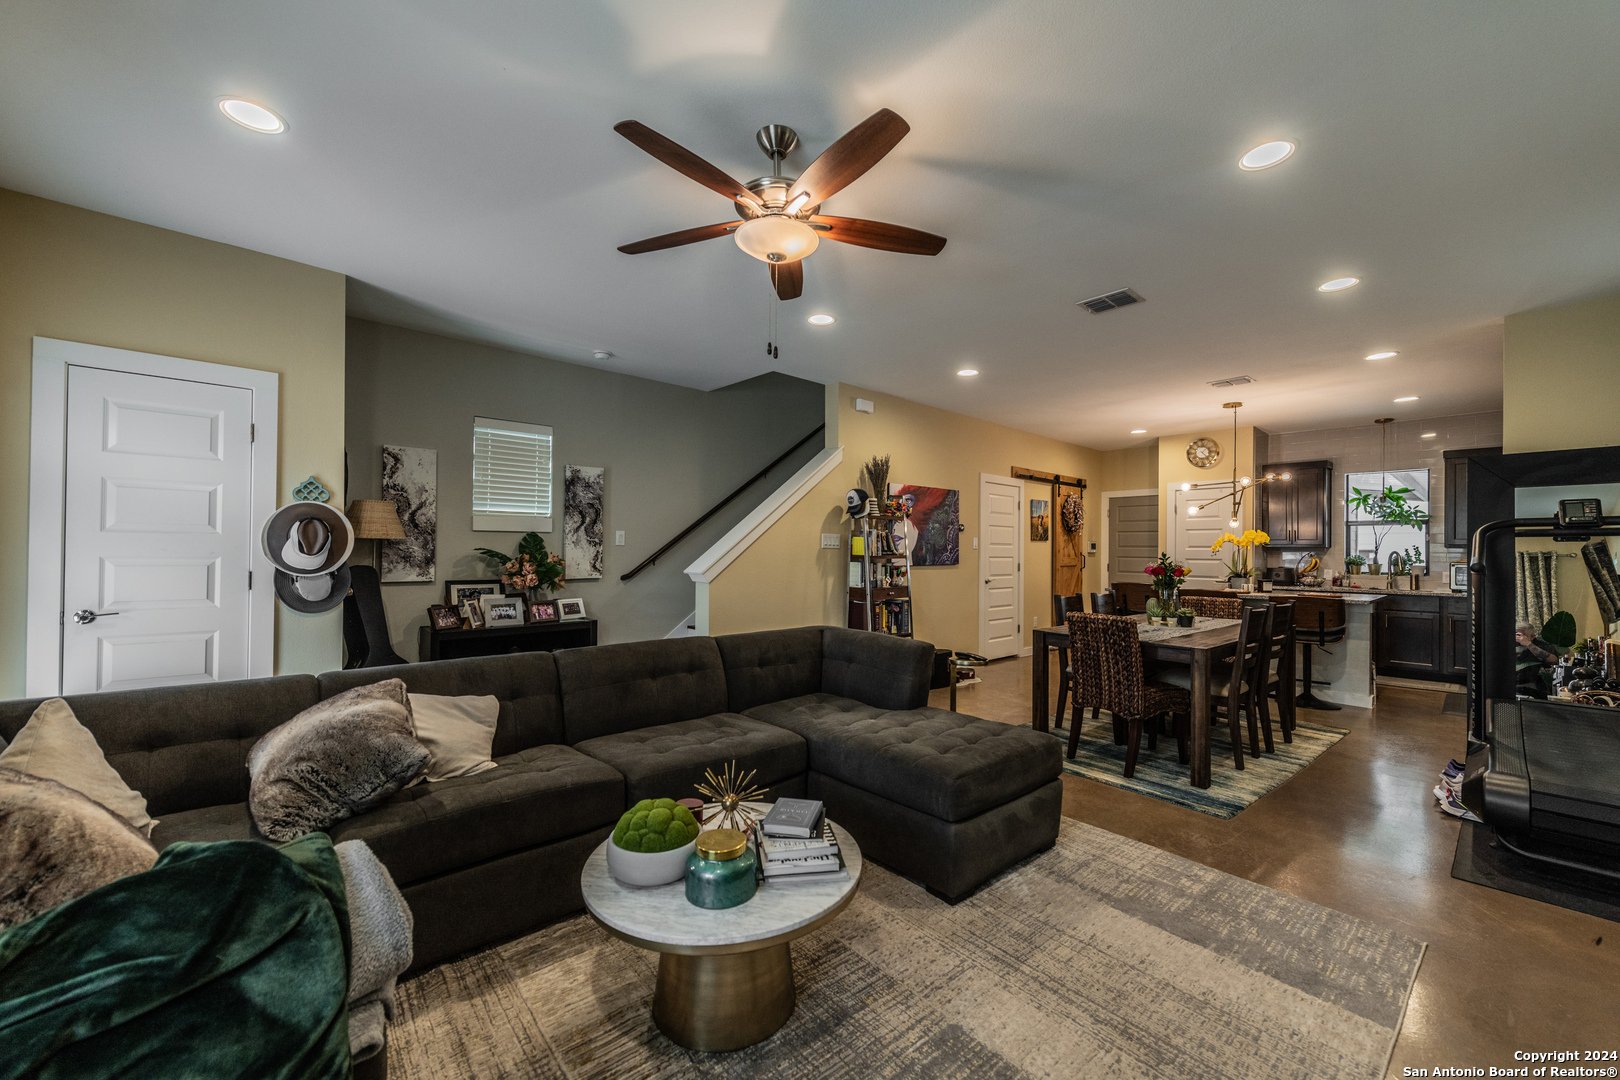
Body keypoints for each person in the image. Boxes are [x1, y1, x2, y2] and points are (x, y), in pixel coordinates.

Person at [1515, 622, 1561, 698]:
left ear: (1532, 636)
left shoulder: (1541, 645)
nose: (1517, 637)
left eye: (1520, 635)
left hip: (1534, 688)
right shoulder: (1509, 644)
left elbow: (1554, 660)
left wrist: (1528, 644)